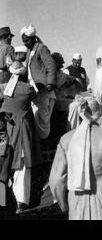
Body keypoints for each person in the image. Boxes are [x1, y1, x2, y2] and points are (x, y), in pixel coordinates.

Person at [49, 97, 102, 220]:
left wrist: (63, 205)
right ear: (99, 114)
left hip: (76, 198)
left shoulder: (66, 139)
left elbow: (57, 179)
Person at [0, 60, 42, 213]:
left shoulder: (2, 89)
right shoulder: (28, 89)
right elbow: (38, 101)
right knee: (22, 168)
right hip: (23, 131)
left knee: (4, 169)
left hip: (6, 132)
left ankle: (2, 202)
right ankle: (20, 202)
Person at [21, 24, 57, 140]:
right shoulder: (29, 51)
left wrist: (50, 83)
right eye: (23, 41)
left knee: (42, 118)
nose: (25, 43)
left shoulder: (41, 48)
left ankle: (43, 142)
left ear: (32, 38)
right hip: (34, 89)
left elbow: (51, 65)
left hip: (43, 89)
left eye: (26, 41)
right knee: (36, 117)